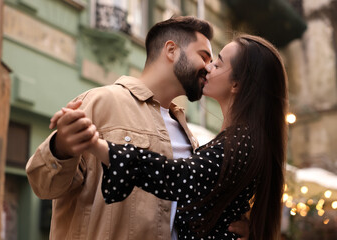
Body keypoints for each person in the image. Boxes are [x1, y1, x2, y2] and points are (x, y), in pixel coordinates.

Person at [26, 16, 249, 240]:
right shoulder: (102, 101)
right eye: (204, 56)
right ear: (171, 50)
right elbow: (43, 185)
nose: (209, 67)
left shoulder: (187, 133)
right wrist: (61, 147)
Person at [84, 34, 288, 240]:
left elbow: (178, 177)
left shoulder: (242, 142)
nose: (208, 67)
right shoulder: (244, 139)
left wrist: (98, 146)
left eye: (217, 64)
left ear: (236, 85)